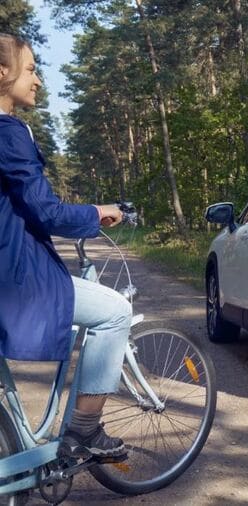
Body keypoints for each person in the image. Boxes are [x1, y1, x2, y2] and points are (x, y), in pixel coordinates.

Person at [0, 33, 131, 458]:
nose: (37, 80)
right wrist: (96, 212)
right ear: (3, 72)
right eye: (32, 68)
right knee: (115, 312)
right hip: (16, 279)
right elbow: (46, 212)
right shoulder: (9, 132)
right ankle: (85, 432)